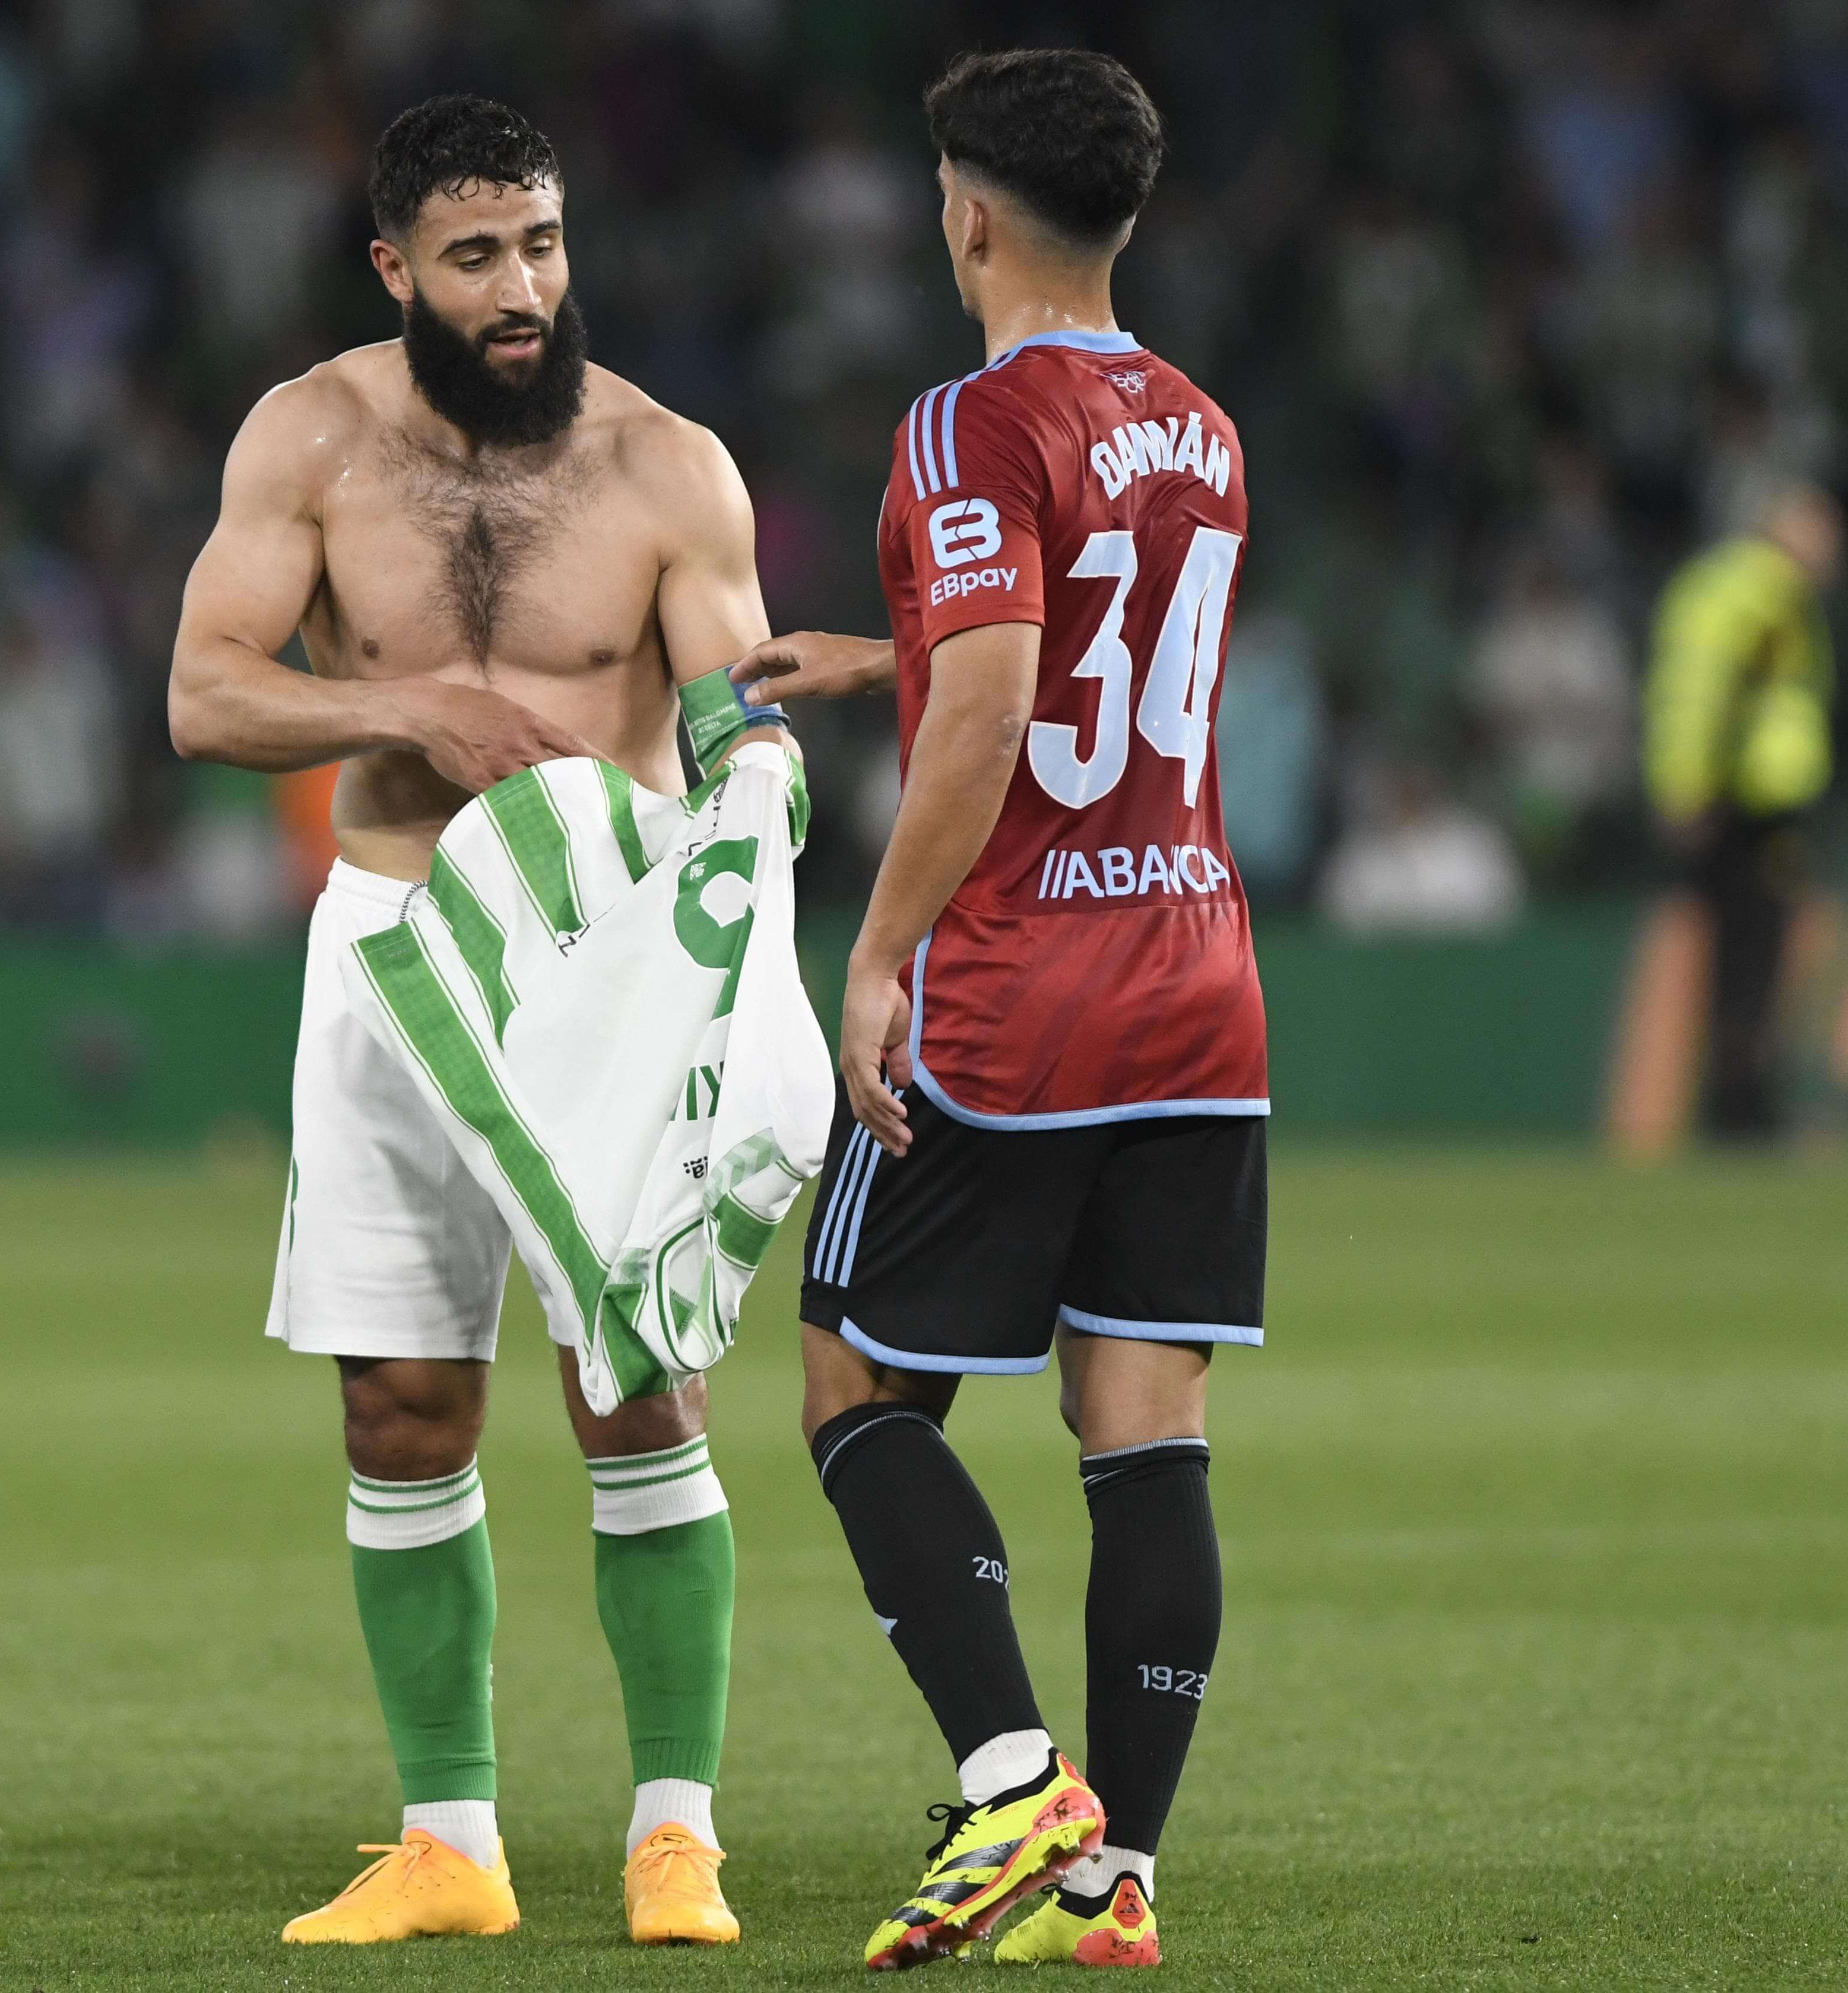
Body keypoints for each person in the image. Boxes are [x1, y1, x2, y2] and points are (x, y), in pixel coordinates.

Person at [164, 94, 793, 1948]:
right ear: (393, 268)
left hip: (611, 952)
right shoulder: (308, 439)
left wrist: (758, 785)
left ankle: (676, 1836)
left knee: (637, 1382)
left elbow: (732, 708)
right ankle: (450, 1842)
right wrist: (405, 709)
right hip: (391, 939)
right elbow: (205, 693)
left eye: (540, 246)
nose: (520, 290)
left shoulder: (668, 464)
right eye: (473, 258)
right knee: (399, 1401)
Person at [730, 49, 1261, 1972]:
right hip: (1197, 975)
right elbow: (1093, 638)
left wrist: (877, 952)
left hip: (1025, 991)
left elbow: (1003, 696)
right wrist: (887, 648)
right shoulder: (1201, 426)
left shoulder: (965, 422)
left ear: (966, 216)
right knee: (1144, 1423)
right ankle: (1118, 1880)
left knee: (851, 1381)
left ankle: (1015, 1774)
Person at [1641, 483, 1843, 1141]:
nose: (1833, 547)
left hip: (1743, 796)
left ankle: (1734, 1105)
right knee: (1754, 959)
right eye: (1821, 530)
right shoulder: (1764, 599)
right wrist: (1689, 787)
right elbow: (1708, 696)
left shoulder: (1728, 588)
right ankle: (1742, 1109)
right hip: (1749, 801)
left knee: (1740, 956)